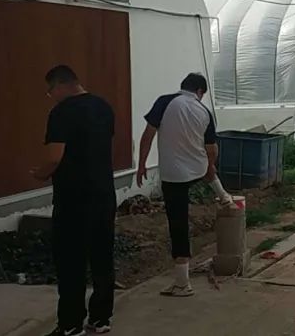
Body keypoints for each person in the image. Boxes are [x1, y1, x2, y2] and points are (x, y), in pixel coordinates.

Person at [30, 65, 116, 336]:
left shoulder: (62, 113)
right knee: (102, 258)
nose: (50, 96)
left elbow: (55, 156)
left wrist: (40, 174)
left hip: (73, 199)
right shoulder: (104, 107)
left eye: (50, 91)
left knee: (71, 262)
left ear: (60, 85)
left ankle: (70, 324)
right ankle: (101, 319)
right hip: (104, 194)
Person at [135, 73, 233, 297]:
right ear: (200, 92)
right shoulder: (204, 111)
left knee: (178, 225)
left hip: (174, 175)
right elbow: (212, 149)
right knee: (206, 165)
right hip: (199, 168)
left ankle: (182, 283)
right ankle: (224, 196)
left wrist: (141, 164)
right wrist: (209, 165)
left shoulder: (164, 102)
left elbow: (148, 135)